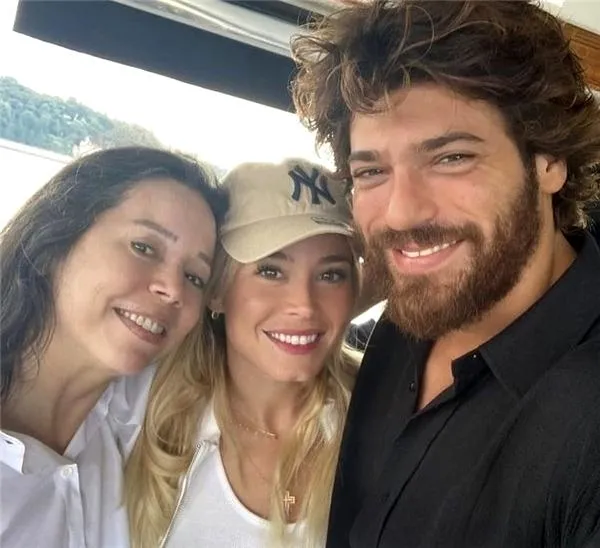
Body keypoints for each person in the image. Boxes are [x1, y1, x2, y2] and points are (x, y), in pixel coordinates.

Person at [290, 1, 600, 547]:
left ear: (549, 161)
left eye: (451, 157)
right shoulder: (412, 310)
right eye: (372, 171)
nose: (401, 214)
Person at [125, 158, 361, 548]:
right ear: (217, 291)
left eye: (330, 274)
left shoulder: (383, 419)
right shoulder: (140, 413)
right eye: (270, 271)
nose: (304, 305)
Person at [0, 146, 227, 548]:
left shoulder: (135, 408)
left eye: (195, 276)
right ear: (55, 241)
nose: (173, 289)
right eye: (144, 248)